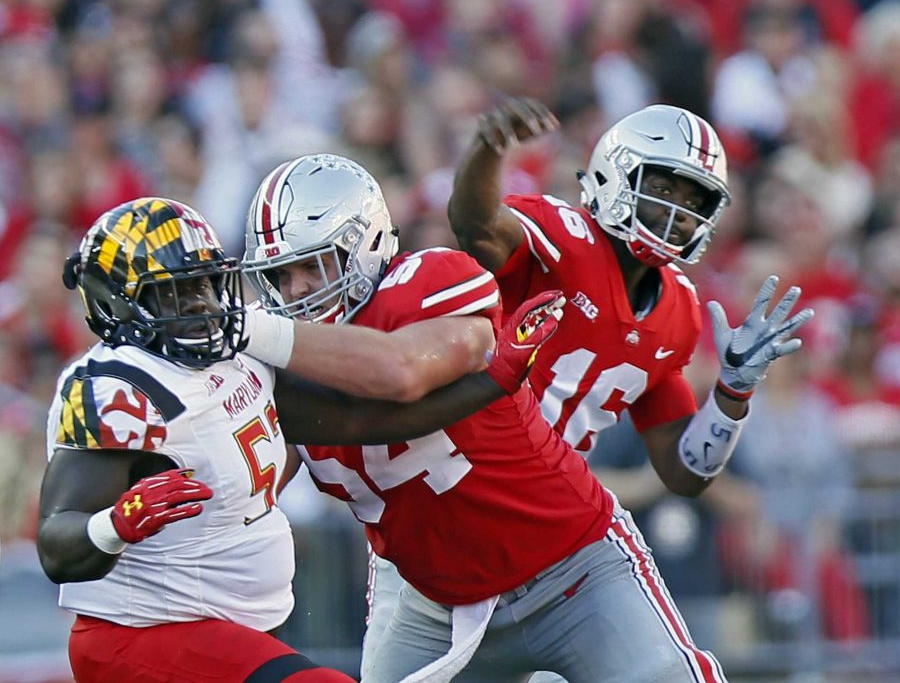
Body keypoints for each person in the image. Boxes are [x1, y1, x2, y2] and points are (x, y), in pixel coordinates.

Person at [242, 152, 782, 683]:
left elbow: (399, 373)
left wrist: (731, 394)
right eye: (281, 275)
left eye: (313, 266)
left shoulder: (428, 281)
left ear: (365, 246)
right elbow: (253, 486)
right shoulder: (277, 370)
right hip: (436, 602)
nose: (298, 290)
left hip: (570, 564)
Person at [37, 196, 561, 683]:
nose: (199, 304)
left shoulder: (239, 356)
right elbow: (58, 545)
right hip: (143, 636)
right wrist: (115, 524)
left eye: (204, 284)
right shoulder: (113, 389)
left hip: (228, 630)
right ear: (122, 304)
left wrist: (493, 381)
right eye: (175, 291)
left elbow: (359, 422)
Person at [443, 98, 814, 681]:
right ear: (616, 174)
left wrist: (732, 395)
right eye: (664, 187)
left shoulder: (680, 313)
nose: (678, 212)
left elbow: (682, 473)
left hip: (561, 528)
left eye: (695, 202)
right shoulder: (562, 234)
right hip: (458, 501)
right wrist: (488, 149)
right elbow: (475, 224)